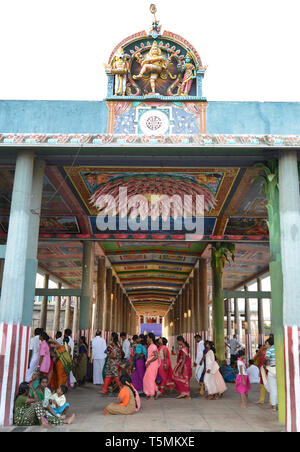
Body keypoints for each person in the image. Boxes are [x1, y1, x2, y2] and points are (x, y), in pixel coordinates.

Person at [143, 332, 160, 400]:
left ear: (150, 338)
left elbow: (156, 356)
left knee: (150, 379)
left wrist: (149, 361)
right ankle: (156, 391)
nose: (146, 339)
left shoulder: (153, 346)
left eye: (147, 337)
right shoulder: (150, 346)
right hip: (150, 364)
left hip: (152, 364)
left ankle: (152, 395)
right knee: (148, 379)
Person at [263, 337, 278, 412]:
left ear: (269, 343)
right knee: (279, 388)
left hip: (272, 370)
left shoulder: (269, 349)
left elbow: (266, 358)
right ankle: (279, 405)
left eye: (266, 344)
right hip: (280, 370)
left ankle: (274, 406)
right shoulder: (279, 347)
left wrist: (264, 364)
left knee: (272, 389)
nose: (266, 345)